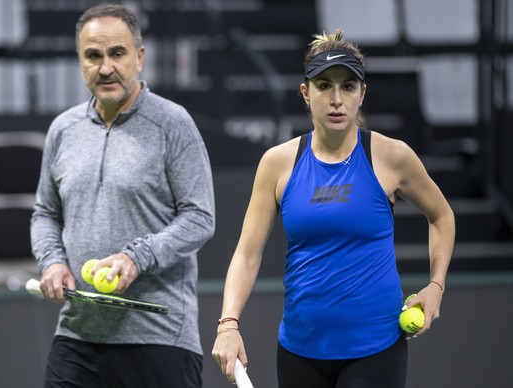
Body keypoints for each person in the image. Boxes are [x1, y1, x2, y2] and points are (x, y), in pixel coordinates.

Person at [212, 29, 455, 388]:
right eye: (324, 86)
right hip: (298, 351)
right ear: (305, 94)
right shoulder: (277, 163)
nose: (336, 98)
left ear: (362, 94)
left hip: (375, 352)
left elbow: (441, 215)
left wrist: (436, 286)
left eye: (347, 86)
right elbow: (247, 254)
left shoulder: (392, 156)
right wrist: (228, 323)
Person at [30, 4, 215, 387]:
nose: (105, 67)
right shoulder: (63, 130)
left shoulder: (173, 123)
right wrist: (52, 262)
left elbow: (200, 217)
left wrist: (137, 257)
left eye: (117, 53)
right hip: (77, 336)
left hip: (159, 335)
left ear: (140, 57)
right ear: (81, 61)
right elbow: (46, 213)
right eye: (93, 56)